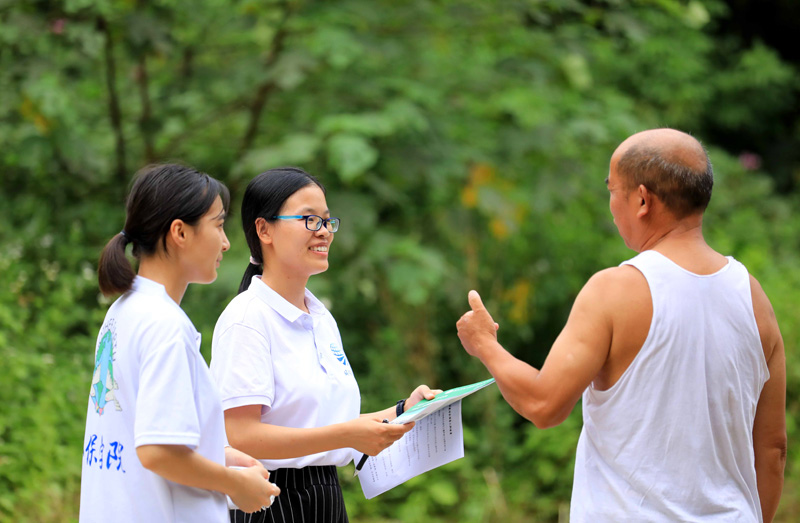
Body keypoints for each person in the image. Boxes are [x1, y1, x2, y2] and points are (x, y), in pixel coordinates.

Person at [456, 129, 787, 522]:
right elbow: (772, 450)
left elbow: (544, 405)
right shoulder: (753, 297)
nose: (612, 205)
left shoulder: (616, 290)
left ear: (642, 199)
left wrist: (484, 344)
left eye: (613, 190)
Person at [210, 167, 440, 523]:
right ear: (263, 229)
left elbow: (329, 422)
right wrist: (347, 434)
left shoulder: (320, 318)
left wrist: (401, 412)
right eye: (308, 219)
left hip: (326, 497)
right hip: (270, 501)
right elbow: (240, 436)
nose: (323, 232)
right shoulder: (247, 319)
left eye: (327, 221)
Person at [80, 164, 280, 523]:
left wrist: (217, 456)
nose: (226, 241)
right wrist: (234, 483)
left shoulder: (123, 311)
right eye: (218, 225)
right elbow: (158, 452)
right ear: (179, 233)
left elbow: (147, 435)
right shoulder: (164, 325)